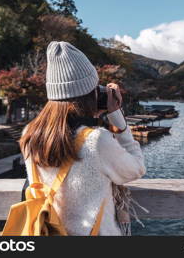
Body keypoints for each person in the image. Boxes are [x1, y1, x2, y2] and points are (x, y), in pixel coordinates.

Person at [20, 41, 146, 236]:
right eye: (96, 88)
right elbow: (136, 168)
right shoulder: (96, 141)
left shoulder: (30, 134)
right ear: (90, 94)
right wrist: (117, 118)